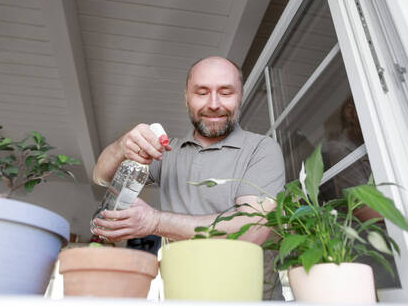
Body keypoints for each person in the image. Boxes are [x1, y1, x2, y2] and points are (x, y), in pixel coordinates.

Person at [91, 56, 285, 245]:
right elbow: (101, 176)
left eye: (226, 93)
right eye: (202, 93)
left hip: (235, 277)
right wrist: (121, 147)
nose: (214, 104)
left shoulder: (261, 149)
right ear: (186, 98)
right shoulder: (166, 152)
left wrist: (155, 222)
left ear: (240, 96)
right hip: (173, 276)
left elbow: (252, 230)